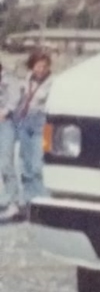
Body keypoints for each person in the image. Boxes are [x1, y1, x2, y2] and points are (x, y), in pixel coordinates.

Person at [15, 49, 54, 217]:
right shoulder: (27, 79)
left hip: (45, 127)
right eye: (38, 66)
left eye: (44, 66)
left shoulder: (54, 82)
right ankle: (28, 201)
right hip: (25, 124)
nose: (40, 69)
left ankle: (44, 202)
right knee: (25, 164)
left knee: (40, 165)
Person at [0, 62, 22, 220]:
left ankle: (13, 203)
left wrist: (5, 111)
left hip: (6, 123)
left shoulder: (9, 79)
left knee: (5, 163)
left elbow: (15, 99)